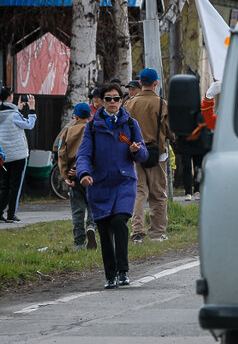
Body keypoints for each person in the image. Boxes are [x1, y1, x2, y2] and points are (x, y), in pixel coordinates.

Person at [76, 82, 149, 288]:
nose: (112, 102)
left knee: (119, 222)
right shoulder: (92, 126)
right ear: (101, 101)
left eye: (116, 98)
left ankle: (123, 270)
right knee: (105, 228)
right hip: (99, 184)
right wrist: (84, 173)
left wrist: (136, 150)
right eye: (108, 98)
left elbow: (143, 154)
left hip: (124, 181)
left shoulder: (131, 124)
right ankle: (110, 275)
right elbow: (83, 154)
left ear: (121, 100)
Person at [125, 68, 173, 242]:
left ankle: (137, 232)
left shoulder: (129, 103)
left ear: (140, 83)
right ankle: (157, 233)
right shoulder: (161, 103)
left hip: (134, 153)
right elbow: (170, 130)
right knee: (158, 194)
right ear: (156, 83)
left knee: (139, 193)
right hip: (157, 154)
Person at [57, 102, 98, 249]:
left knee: (77, 210)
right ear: (89, 116)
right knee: (93, 206)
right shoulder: (94, 129)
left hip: (74, 177)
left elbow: (61, 154)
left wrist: (65, 176)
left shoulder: (68, 131)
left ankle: (79, 242)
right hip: (91, 175)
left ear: (75, 116)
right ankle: (92, 227)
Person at [0, 87, 37, 222]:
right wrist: (32, 109)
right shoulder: (14, 115)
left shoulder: (7, 113)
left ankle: (0, 211)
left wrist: (18, 109)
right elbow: (29, 125)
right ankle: (11, 214)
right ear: (10, 97)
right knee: (15, 185)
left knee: (5, 184)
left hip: (4, 155)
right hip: (18, 155)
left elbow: (10, 119)